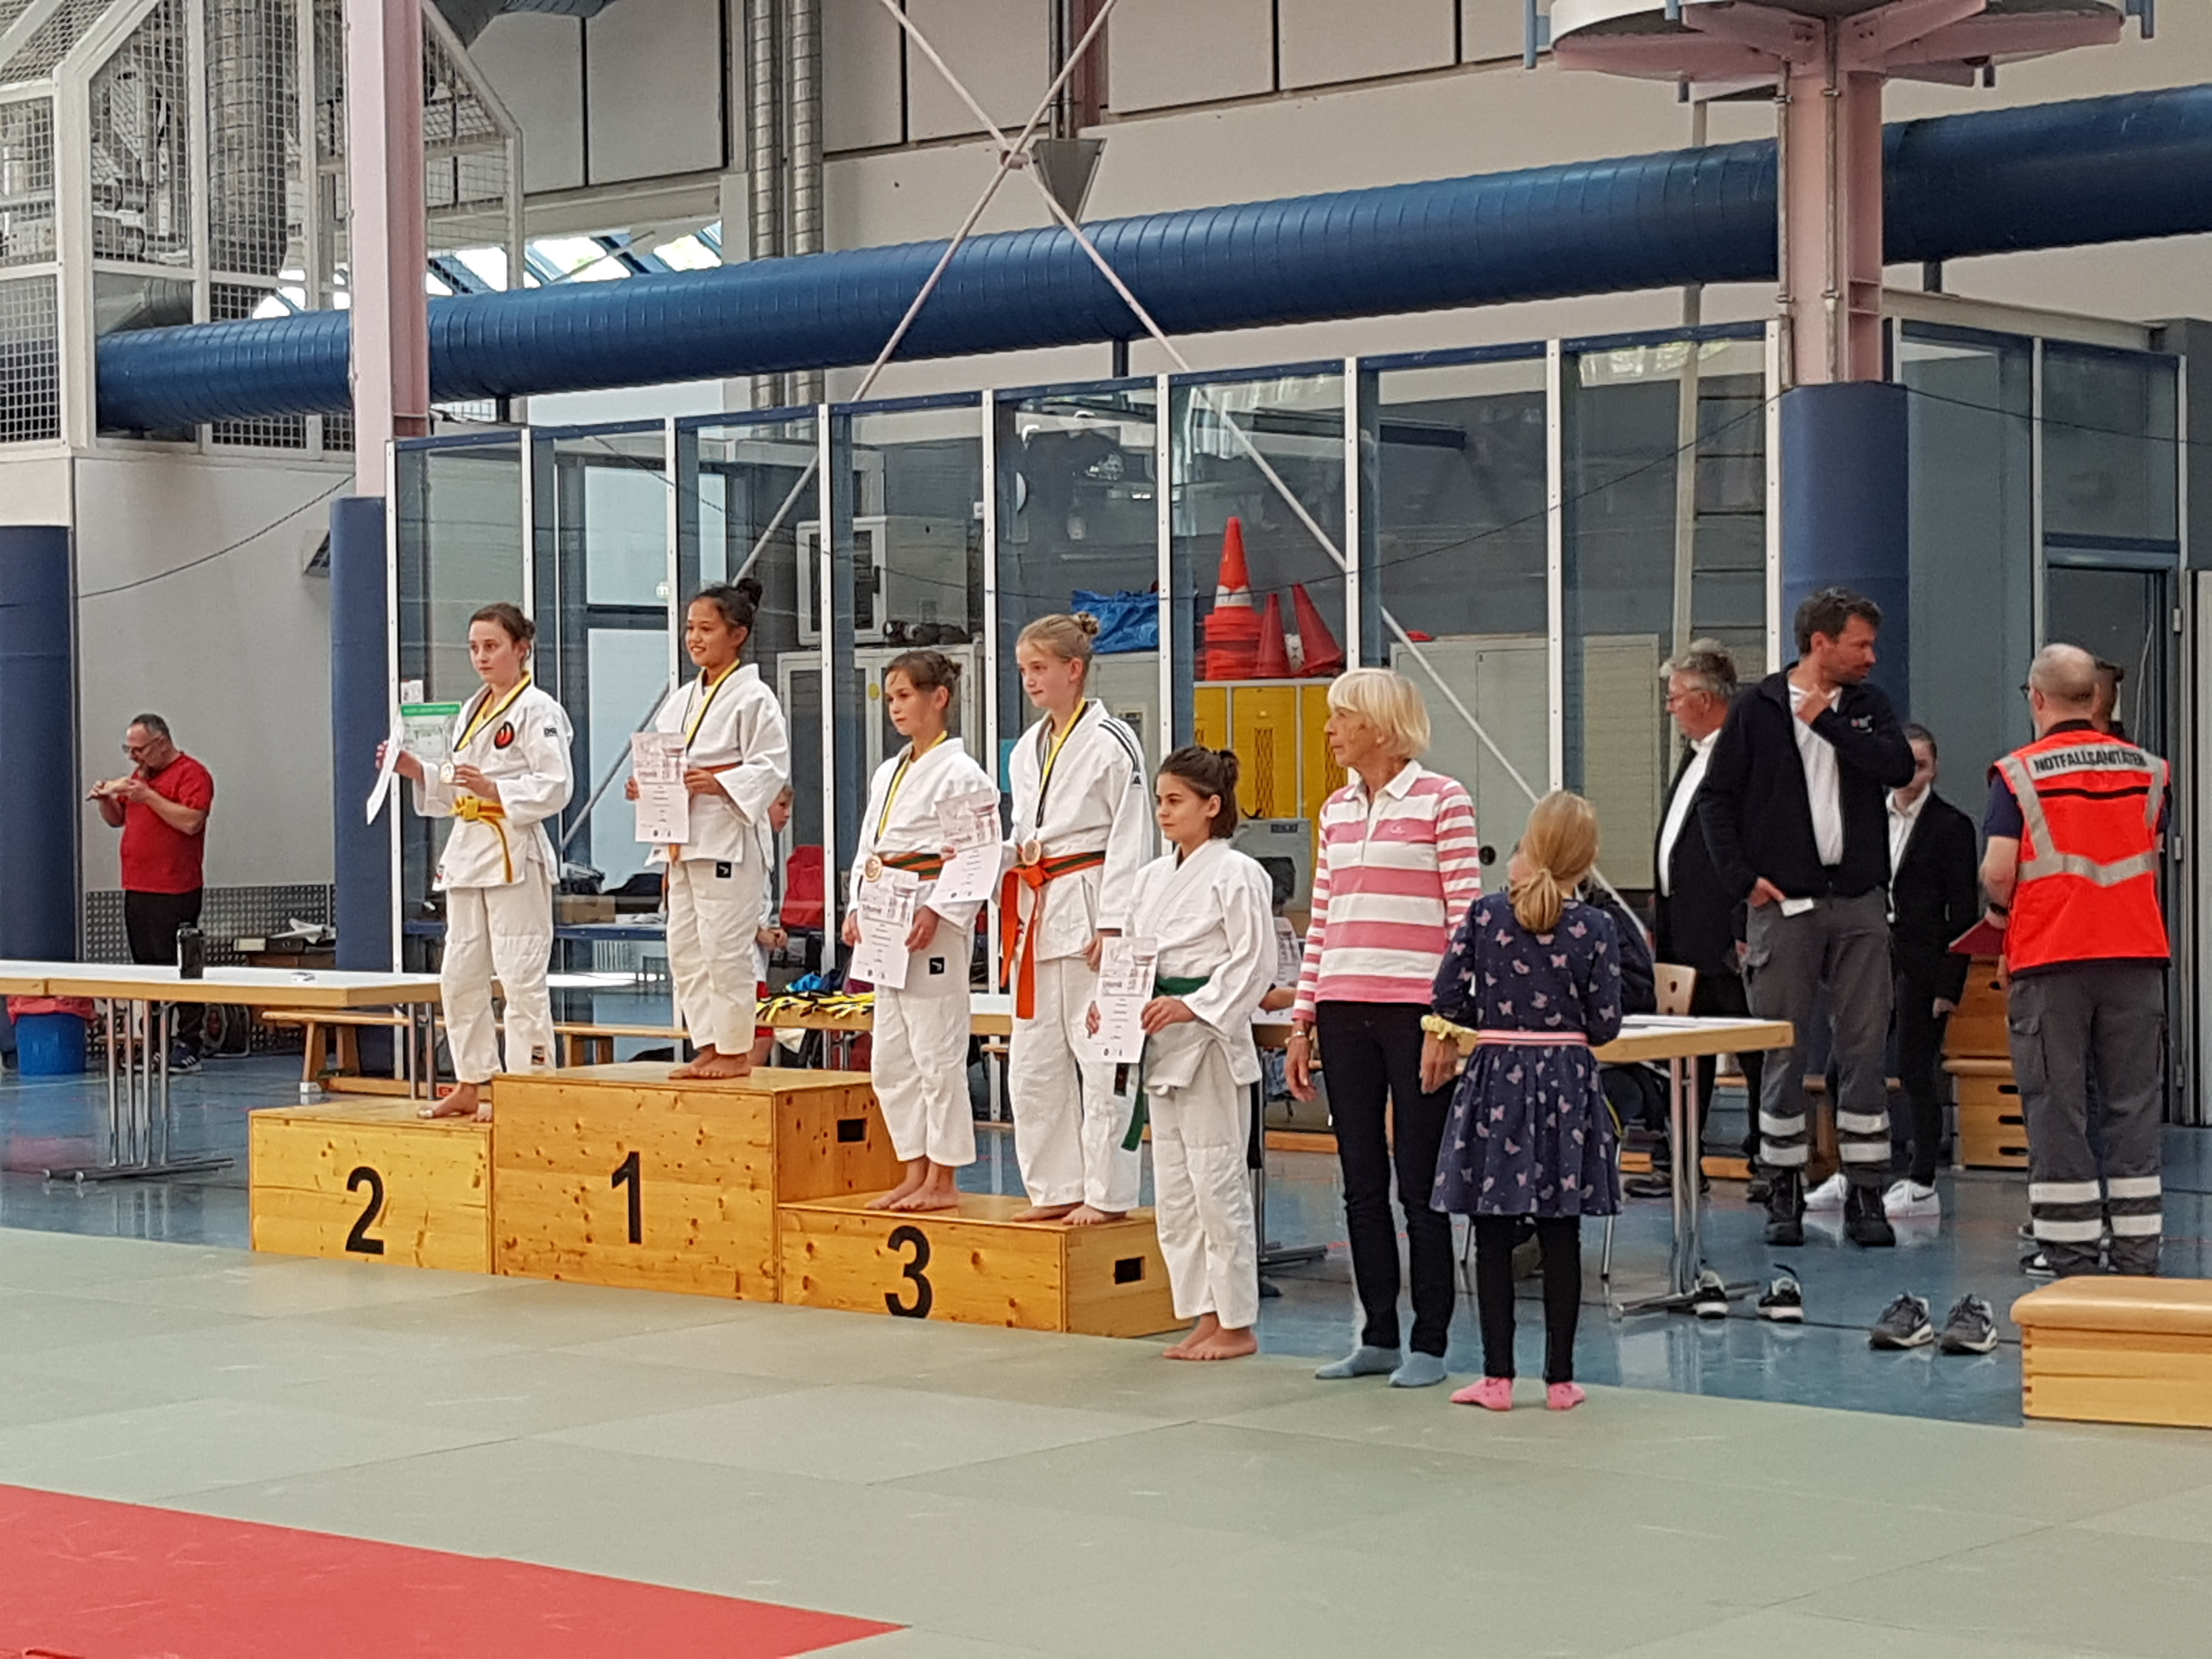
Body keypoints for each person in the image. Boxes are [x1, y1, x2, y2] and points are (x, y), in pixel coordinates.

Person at [1697, 587, 1915, 1248]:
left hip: (1859, 901)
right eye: (1860, 645)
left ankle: (1866, 1190)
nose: (1871, 657)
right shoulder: (1758, 708)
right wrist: (1743, 881)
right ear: (1821, 643)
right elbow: (1716, 799)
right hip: (1784, 905)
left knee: (1864, 1048)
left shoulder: (1868, 708)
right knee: (1782, 1049)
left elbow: (1897, 767)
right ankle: (1783, 1188)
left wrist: (1829, 723)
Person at [1289, 668, 1481, 1389]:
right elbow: (1323, 921)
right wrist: (1303, 1019)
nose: (1331, 730)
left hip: (1416, 1011)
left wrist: (1448, 1023)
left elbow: (1466, 919)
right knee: (1360, 1182)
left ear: (1378, 724)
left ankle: (1430, 1341)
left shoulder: (1443, 800)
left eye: (1342, 717)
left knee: (1420, 1184)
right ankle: (1376, 1334)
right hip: (1343, 1005)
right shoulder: (1335, 811)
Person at [1429, 791, 1622, 1413]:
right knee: (1562, 1229)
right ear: (1587, 858)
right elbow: (1606, 1024)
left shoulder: (1487, 916)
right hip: (1566, 1082)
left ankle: (1497, 1378)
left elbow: (1447, 997)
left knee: (1493, 1231)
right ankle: (1561, 1380)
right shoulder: (1597, 928)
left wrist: (1494, 1018)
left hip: (1498, 1079)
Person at [1982, 642, 2170, 1278]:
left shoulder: (2019, 774)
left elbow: (1999, 871)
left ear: (2037, 698)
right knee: (2133, 1107)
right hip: (2136, 957)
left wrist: (2000, 919)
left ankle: (2071, 1257)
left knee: (2058, 1108)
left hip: (2052, 959)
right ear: (2094, 698)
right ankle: (2139, 1254)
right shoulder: (2149, 771)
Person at [1098, 746, 1274, 1361]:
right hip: (1159, 1041)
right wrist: (1112, 1004)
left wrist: (1193, 1007)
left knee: (1217, 1185)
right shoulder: (1151, 878)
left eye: (1176, 801)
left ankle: (1238, 1324)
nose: (1163, 812)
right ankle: (1204, 1314)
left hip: (1209, 1044)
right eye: (1160, 801)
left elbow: (1255, 964)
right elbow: (1132, 956)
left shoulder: (1239, 873)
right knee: (1175, 1194)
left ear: (1212, 806)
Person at [383, 604, 573, 1122]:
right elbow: (456, 783)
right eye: (474, 648)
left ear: (521, 649)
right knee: (460, 977)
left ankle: (529, 1086)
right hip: (469, 852)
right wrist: (417, 771)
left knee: (521, 977)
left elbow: (556, 785)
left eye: (492, 646)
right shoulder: (471, 709)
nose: (481, 657)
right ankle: (472, 1081)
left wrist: (496, 789)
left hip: (514, 852)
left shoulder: (538, 710)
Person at [1000, 613, 1153, 1224]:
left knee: (1103, 1059)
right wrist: (990, 858)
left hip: (1091, 914)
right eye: (1024, 670)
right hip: (1037, 914)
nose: (1030, 681)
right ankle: (1055, 1188)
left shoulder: (1113, 740)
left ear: (1074, 669)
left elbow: (1132, 835)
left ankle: (1108, 1194)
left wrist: (1115, 925)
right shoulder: (1025, 750)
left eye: (1040, 668)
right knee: (1033, 1066)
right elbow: (1025, 835)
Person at [843, 651, 995, 1212]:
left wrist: (939, 909)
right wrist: (856, 906)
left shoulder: (963, 773)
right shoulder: (889, 771)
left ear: (940, 697)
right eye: (890, 698)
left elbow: (977, 854)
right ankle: (913, 1167)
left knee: (937, 1051)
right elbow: (869, 848)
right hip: (886, 913)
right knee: (892, 1057)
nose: (896, 707)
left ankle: (944, 1177)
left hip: (931, 919)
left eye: (906, 695)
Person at [628, 578, 791, 1081]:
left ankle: (737, 1049)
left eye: (706, 629)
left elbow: (772, 767)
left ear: (737, 635)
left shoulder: (755, 697)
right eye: (690, 629)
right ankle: (708, 1043)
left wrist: (719, 782)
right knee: (685, 950)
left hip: (726, 840)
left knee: (726, 949)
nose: (694, 638)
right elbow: (667, 764)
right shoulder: (680, 700)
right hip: (681, 841)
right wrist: (646, 788)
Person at [1635, 639, 1764, 1199]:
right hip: (1683, 931)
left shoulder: (1745, 757)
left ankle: (1768, 1160)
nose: (1670, 708)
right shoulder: (1694, 755)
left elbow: (1749, 847)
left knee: (1753, 1050)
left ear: (1705, 699)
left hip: (1726, 935)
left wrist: (1742, 926)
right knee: (1688, 1052)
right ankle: (1683, 1159)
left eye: (1675, 697)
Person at [1874, 724, 1979, 1213]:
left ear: (1934, 769)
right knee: (1846, 1068)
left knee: (1917, 1070)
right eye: (1903, 763)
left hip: (1923, 965)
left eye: (1920, 765)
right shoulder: (1870, 819)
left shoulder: (1951, 826)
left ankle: (1922, 1179)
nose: (1910, 774)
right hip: (1873, 959)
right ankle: (1856, 1171)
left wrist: (1950, 983)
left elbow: (1963, 913)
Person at [90, 714, 215, 1071]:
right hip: (137, 887)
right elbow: (118, 819)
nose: (134, 757)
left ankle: (189, 1042)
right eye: (129, 750)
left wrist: (149, 796)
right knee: (147, 967)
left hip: (174, 888)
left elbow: (191, 822)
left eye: (140, 750)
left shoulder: (192, 774)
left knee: (179, 966)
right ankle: (155, 1039)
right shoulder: (140, 776)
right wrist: (105, 799)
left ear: (161, 743)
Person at [748, 783, 795, 1070]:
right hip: (741, 958)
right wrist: (758, 932)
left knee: (759, 1031)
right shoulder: (746, 843)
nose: (787, 815)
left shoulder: (764, 846)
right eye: (782, 806)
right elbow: (731, 903)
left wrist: (771, 928)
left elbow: (759, 902)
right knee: (761, 1034)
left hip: (754, 954)